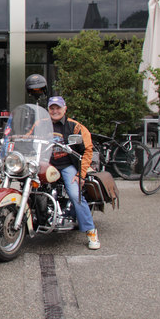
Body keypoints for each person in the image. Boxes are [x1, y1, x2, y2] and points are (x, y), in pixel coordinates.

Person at [47, 96, 100, 250]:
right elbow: (26, 137)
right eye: (52, 108)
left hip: (66, 165)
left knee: (75, 193)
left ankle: (91, 231)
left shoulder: (75, 127)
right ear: (48, 109)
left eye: (58, 108)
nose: (55, 111)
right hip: (45, 165)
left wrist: (81, 174)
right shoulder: (41, 125)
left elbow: (88, 150)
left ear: (65, 109)